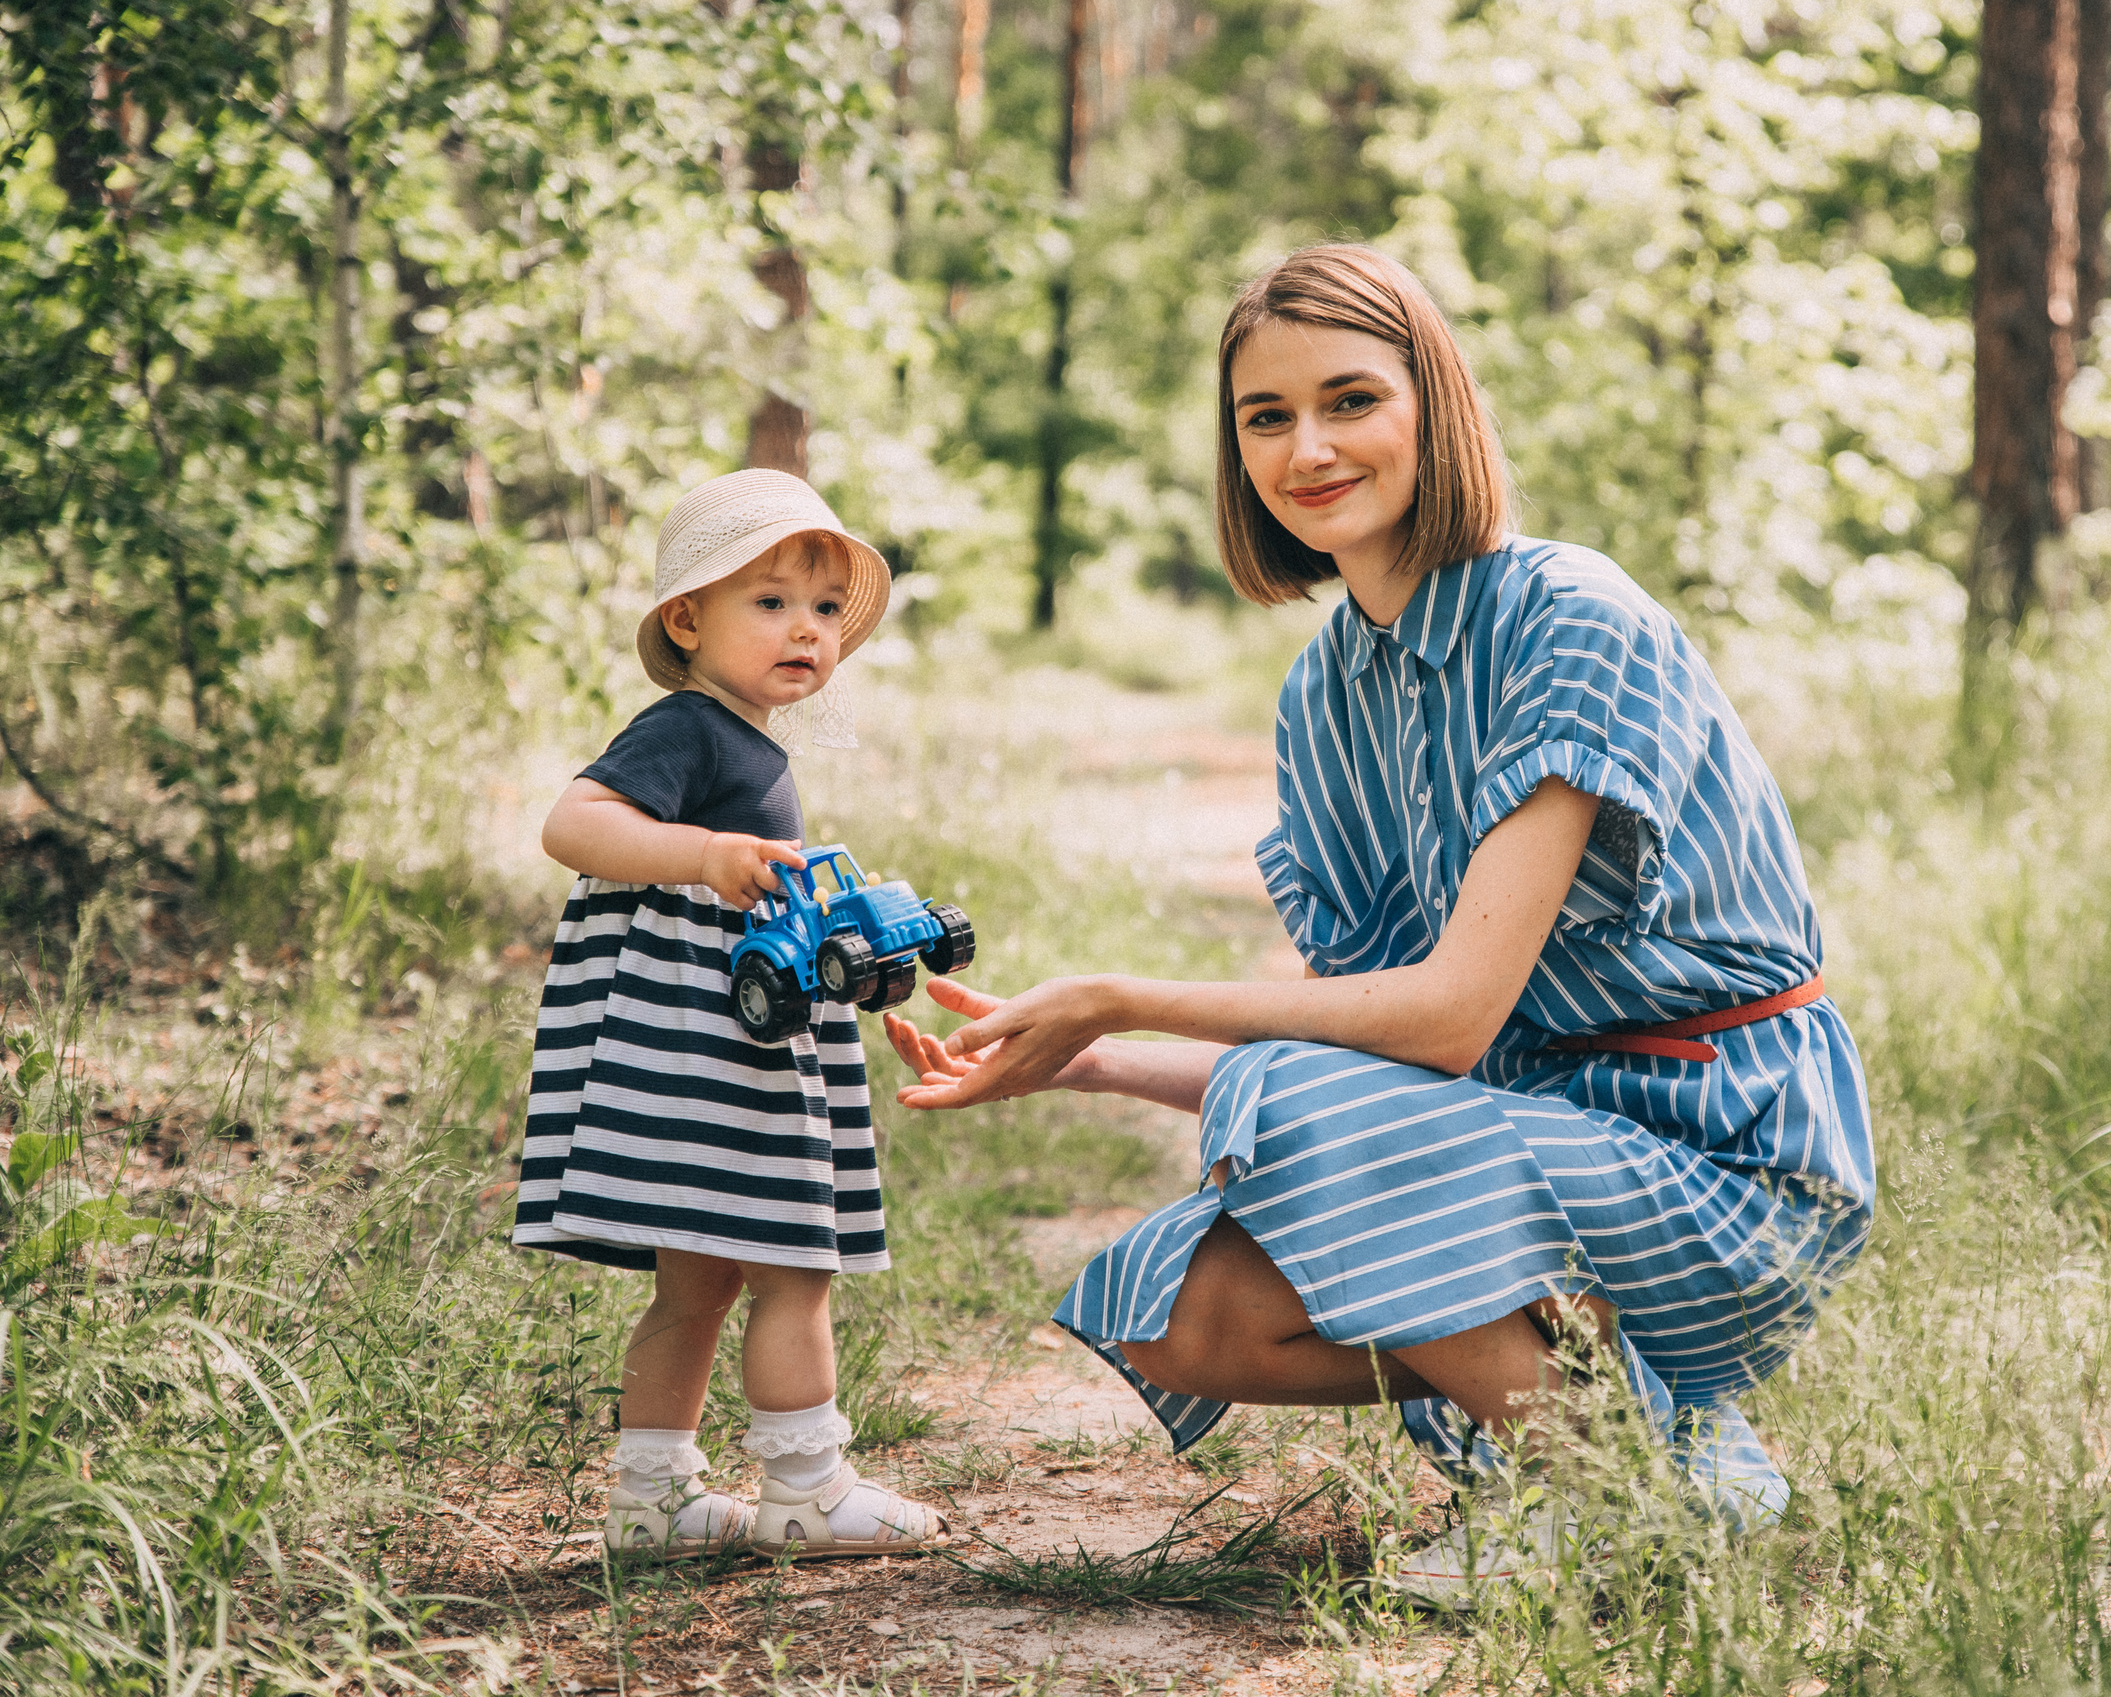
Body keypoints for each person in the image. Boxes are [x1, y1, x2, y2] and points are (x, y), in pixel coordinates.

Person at [886, 243, 1873, 1608]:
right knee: (1194, 1315)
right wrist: (1086, 1056)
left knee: (1294, 1119)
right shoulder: (1323, 696)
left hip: (1724, 1148)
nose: (1310, 448)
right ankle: (1684, 1448)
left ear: (1434, 405)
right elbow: (1367, 1052)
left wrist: (1125, 995)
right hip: (1528, 1139)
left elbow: (1447, 1016)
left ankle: (1613, 1487)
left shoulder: (1568, 618)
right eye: (1266, 417)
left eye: (1351, 399)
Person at [512, 468, 947, 1561]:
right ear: (687, 618)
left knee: (696, 1277)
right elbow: (573, 824)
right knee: (794, 1266)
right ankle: (805, 1487)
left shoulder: (749, 741)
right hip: (711, 1050)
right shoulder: (689, 732)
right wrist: (704, 856)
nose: (805, 628)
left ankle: (651, 1500)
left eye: (822, 609)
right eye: (771, 601)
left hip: (715, 1049)